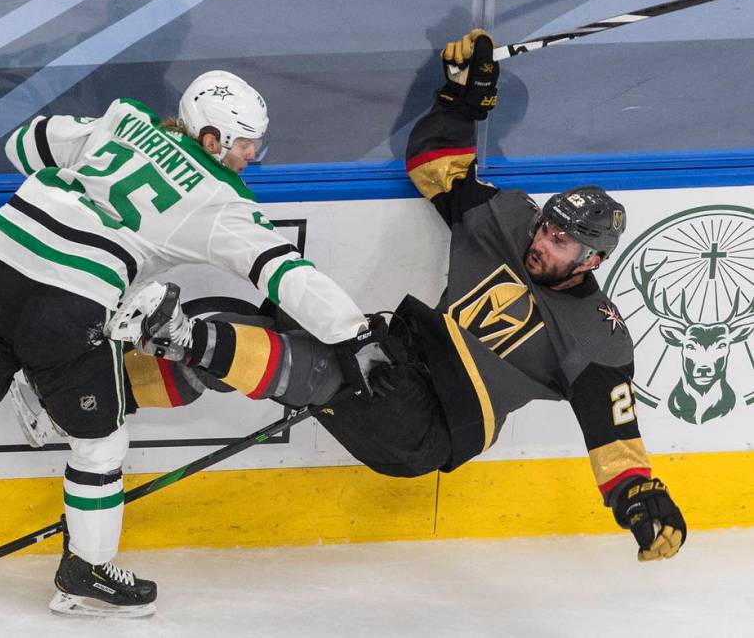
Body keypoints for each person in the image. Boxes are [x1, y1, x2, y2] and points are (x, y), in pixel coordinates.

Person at [54, 30, 687, 564]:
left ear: (593, 260)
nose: (545, 243)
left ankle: (181, 338)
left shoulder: (596, 333)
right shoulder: (511, 222)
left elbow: (612, 428)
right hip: (398, 357)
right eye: (549, 227)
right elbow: (436, 164)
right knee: (246, 323)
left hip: (427, 423)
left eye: (564, 244)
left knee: (291, 360)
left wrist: (637, 497)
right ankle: (88, 397)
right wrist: (462, 104)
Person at [0, 71, 386, 622]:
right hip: (65, 306)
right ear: (210, 138)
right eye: (243, 145)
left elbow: (26, 143)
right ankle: (86, 574)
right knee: (100, 446)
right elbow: (284, 272)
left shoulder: (124, 121)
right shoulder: (219, 200)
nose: (249, 157)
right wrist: (354, 332)